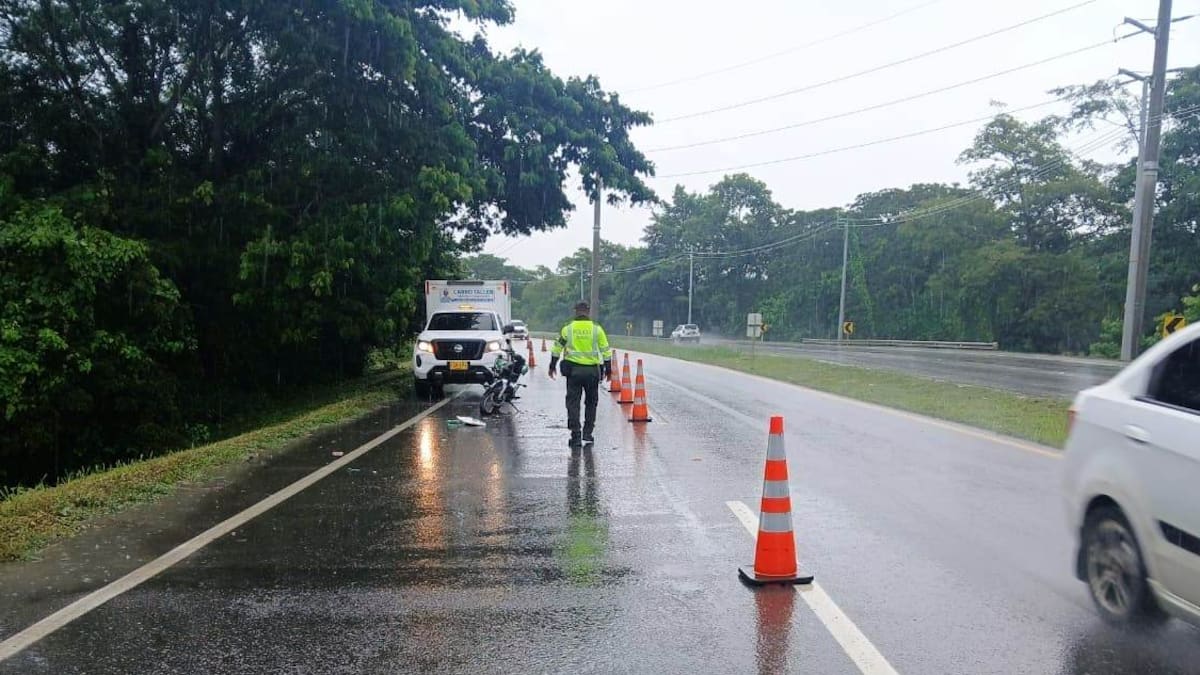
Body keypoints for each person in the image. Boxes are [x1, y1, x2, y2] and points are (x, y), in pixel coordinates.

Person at [548, 301, 613, 447]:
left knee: (573, 403)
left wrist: (552, 366)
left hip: (574, 372)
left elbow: (557, 348)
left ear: (575, 311)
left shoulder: (568, 329)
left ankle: (576, 435)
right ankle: (588, 434)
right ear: (588, 311)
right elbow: (606, 352)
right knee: (591, 403)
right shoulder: (597, 329)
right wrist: (609, 370)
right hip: (592, 372)